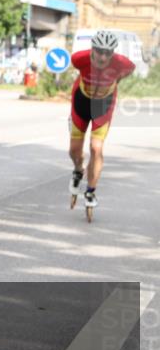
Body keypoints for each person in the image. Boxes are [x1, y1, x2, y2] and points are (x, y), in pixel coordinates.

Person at [67, 29, 136, 216]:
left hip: (103, 104)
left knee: (96, 148)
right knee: (74, 150)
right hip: (82, 100)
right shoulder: (79, 59)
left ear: (113, 52)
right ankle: (78, 169)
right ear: (92, 49)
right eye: (99, 51)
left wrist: (115, 81)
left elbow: (130, 70)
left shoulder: (123, 64)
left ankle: (90, 191)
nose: (103, 57)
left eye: (108, 53)